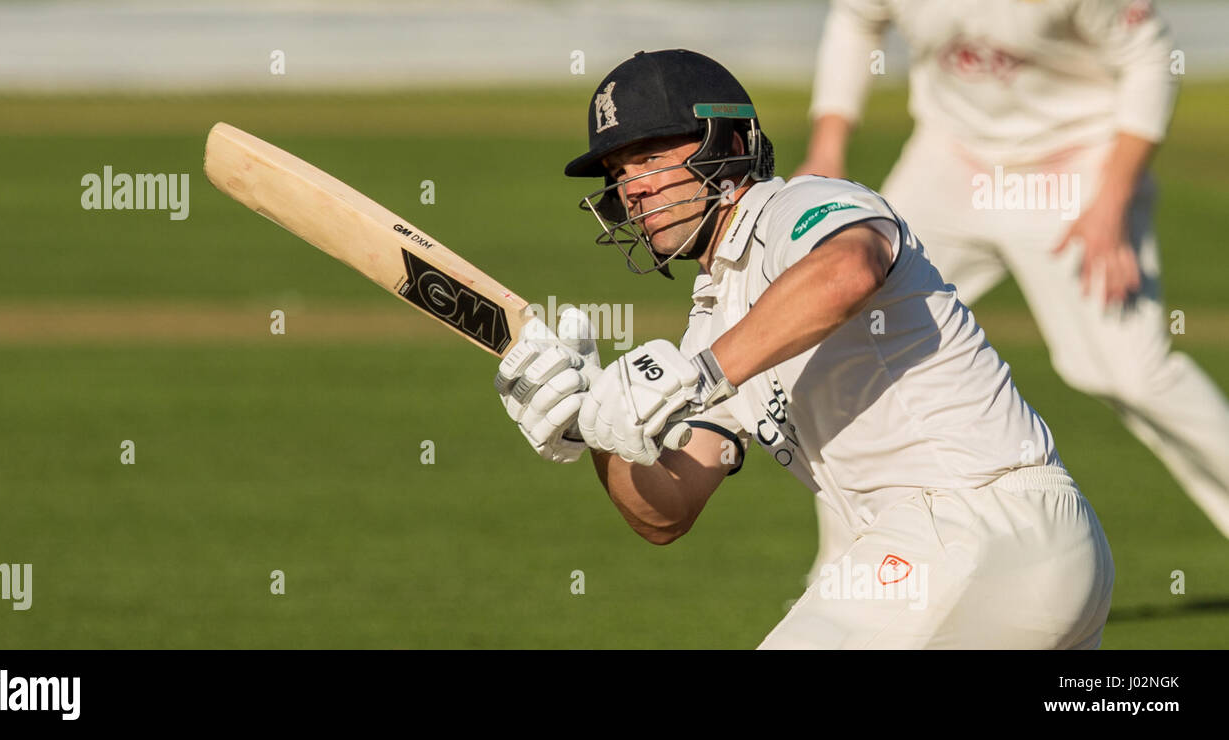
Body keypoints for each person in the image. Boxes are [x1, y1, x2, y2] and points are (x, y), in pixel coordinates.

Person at [493, 49, 1113, 648]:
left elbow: (850, 268)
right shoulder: (714, 321)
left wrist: (701, 373)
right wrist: (600, 427)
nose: (633, 189)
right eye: (619, 173)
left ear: (728, 145)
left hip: (969, 526)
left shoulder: (792, 207)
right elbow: (670, 510)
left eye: (650, 158)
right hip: (1026, 550)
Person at [795, 0, 1229, 540]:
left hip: (1073, 167)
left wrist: (1111, 201)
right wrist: (827, 148)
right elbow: (856, 20)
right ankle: (853, 565)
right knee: (855, 346)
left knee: (1130, 373)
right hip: (950, 160)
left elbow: (1152, 59)